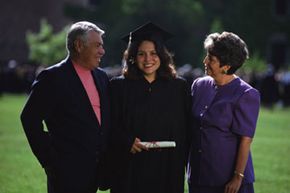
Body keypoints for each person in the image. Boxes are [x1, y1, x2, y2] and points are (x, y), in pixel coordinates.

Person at [20, 21, 110, 193]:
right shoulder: (52, 78)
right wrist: (49, 160)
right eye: (97, 45)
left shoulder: (102, 77)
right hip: (65, 174)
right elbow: (29, 119)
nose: (102, 51)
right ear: (78, 45)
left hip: (96, 171)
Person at [109, 22, 191, 193]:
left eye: (154, 53)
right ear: (133, 57)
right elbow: (109, 124)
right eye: (141, 54)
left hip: (167, 168)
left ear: (162, 55)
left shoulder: (178, 88)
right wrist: (126, 141)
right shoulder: (118, 87)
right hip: (130, 167)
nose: (148, 59)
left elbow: (186, 130)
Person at [187, 31, 260, 193]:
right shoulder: (198, 85)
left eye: (211, 59)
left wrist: (237, 177)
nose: (204, 61)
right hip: (199, 176)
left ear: (226, 66)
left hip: (229, 182)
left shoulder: (246, 94)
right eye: (207, 56)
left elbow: (245, 140)